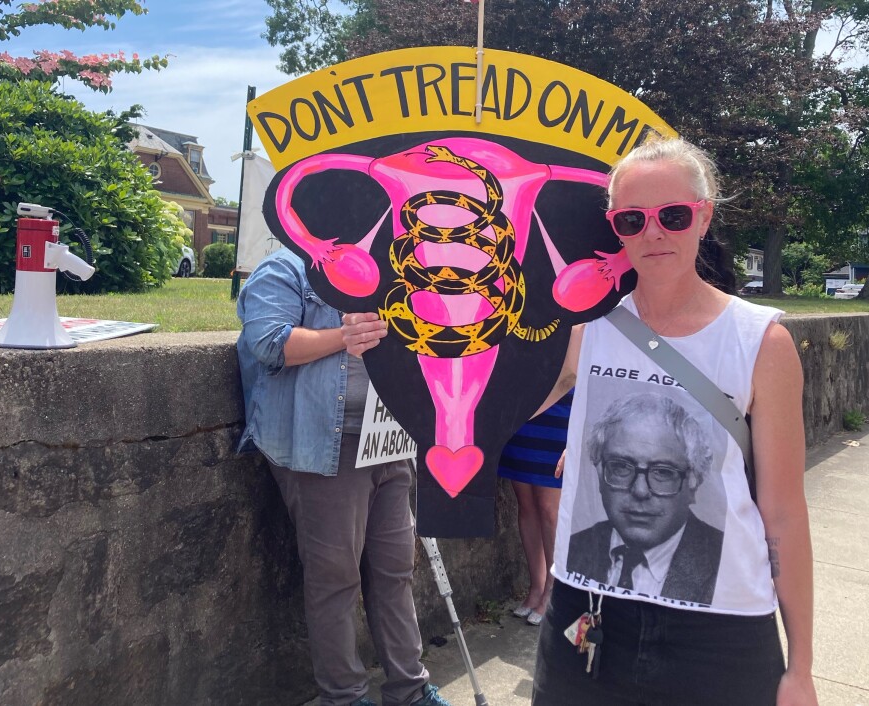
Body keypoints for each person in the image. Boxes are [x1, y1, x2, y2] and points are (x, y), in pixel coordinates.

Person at [341, 136, 817, 706]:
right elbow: (487, 401)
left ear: (704, 215)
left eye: (673, 215)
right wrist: (380, 342)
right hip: (588, 618)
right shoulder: (585, 328)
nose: (653, 233)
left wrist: (802, 666)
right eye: (631, 220)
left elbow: (784, 511)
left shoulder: (761, 342)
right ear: (613, 227)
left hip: (722, 630)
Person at [236, 247, 451, 706]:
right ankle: (344, 697)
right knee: (335, 579)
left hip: (389, 439)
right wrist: (344, 335)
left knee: (395, 570)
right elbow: (269, 342)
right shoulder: (286, 268)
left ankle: (409, 690)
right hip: (321, 448)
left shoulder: (393, 269)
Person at [566, 392, 723, 605]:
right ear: (600, 471)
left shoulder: (726, 562)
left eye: (663, 472)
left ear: (694, 479)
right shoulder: (573, 549)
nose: (640, 491)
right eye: (621, 467)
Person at [498, 390, 573, 625]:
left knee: (549, 507)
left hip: (560, 403)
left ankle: (554, 589)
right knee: (526, 503)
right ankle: (537, 586)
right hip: (522, 406)